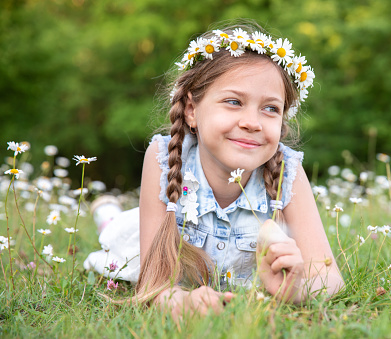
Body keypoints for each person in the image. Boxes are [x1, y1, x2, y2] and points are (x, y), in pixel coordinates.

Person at [84, 22, 344, 319]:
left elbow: (331, 279)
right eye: (233, 102)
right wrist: (179, 300)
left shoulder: (287, 172)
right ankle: (107, 215)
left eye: (270, 108)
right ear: (192, 110)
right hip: (144, 238)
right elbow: (153, 284)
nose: (252, 122)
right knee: (117, 237)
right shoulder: (163, 157)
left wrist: (296, 289)